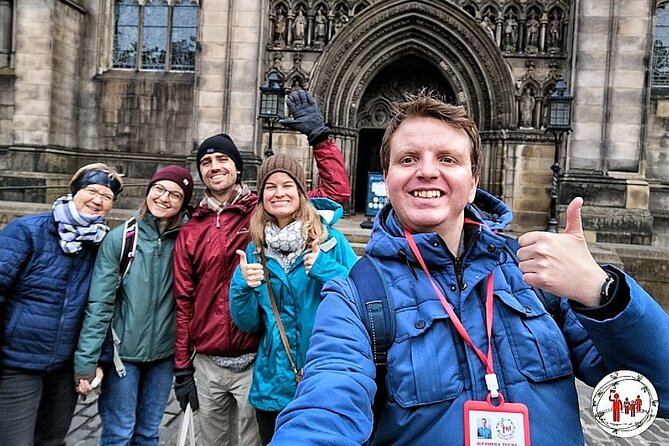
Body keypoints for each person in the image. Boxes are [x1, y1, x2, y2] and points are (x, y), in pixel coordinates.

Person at [269, 93, 669, 445]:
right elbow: (326, 404)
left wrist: (602, 293)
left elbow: (658, 392)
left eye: (448, 158)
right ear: (387, 176)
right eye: (408, 159)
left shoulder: (537, 278)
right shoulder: (355, 296)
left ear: (474, 180)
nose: (427, 171)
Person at [173, 88, 350, 446]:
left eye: (222, 159)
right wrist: (182, 366)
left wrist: (320, 138)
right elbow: (184, 298)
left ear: (238, 168)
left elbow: (336, 193)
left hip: (259, 357)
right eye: (205, 162)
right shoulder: (192, 225)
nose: (214, 168)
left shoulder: (262, 208)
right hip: (212, 357)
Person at [230, 154, 359, 445]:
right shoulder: (255, 249)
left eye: (287, 185)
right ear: (261, 196)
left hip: (323, 377)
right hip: (273, 383)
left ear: (301, 192)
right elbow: (248, 323)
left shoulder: (331, 241)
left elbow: (361, 297)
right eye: (270, 187)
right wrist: (241, 286)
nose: (279, 193)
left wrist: (328, 270)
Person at [0, 163, 123, 446]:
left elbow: (102, 308)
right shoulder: (29, 231)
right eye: (91, 190)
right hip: (19, 361)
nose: (98, 200)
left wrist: (97, 362)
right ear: (75, 191)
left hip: (64, 368)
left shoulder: (101, 246)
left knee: (52, 440)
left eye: (107, 196)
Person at [74, 166, 194, 445]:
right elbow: (100, 304)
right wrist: (86, 363)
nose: (165, 198)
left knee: (149, 433)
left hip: (164, 356)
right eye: (160, 189)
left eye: (175, 194)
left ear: (183, 202)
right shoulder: (121, 238)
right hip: (122, 356)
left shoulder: (187, 239)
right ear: (149, 190)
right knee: (119, 433)